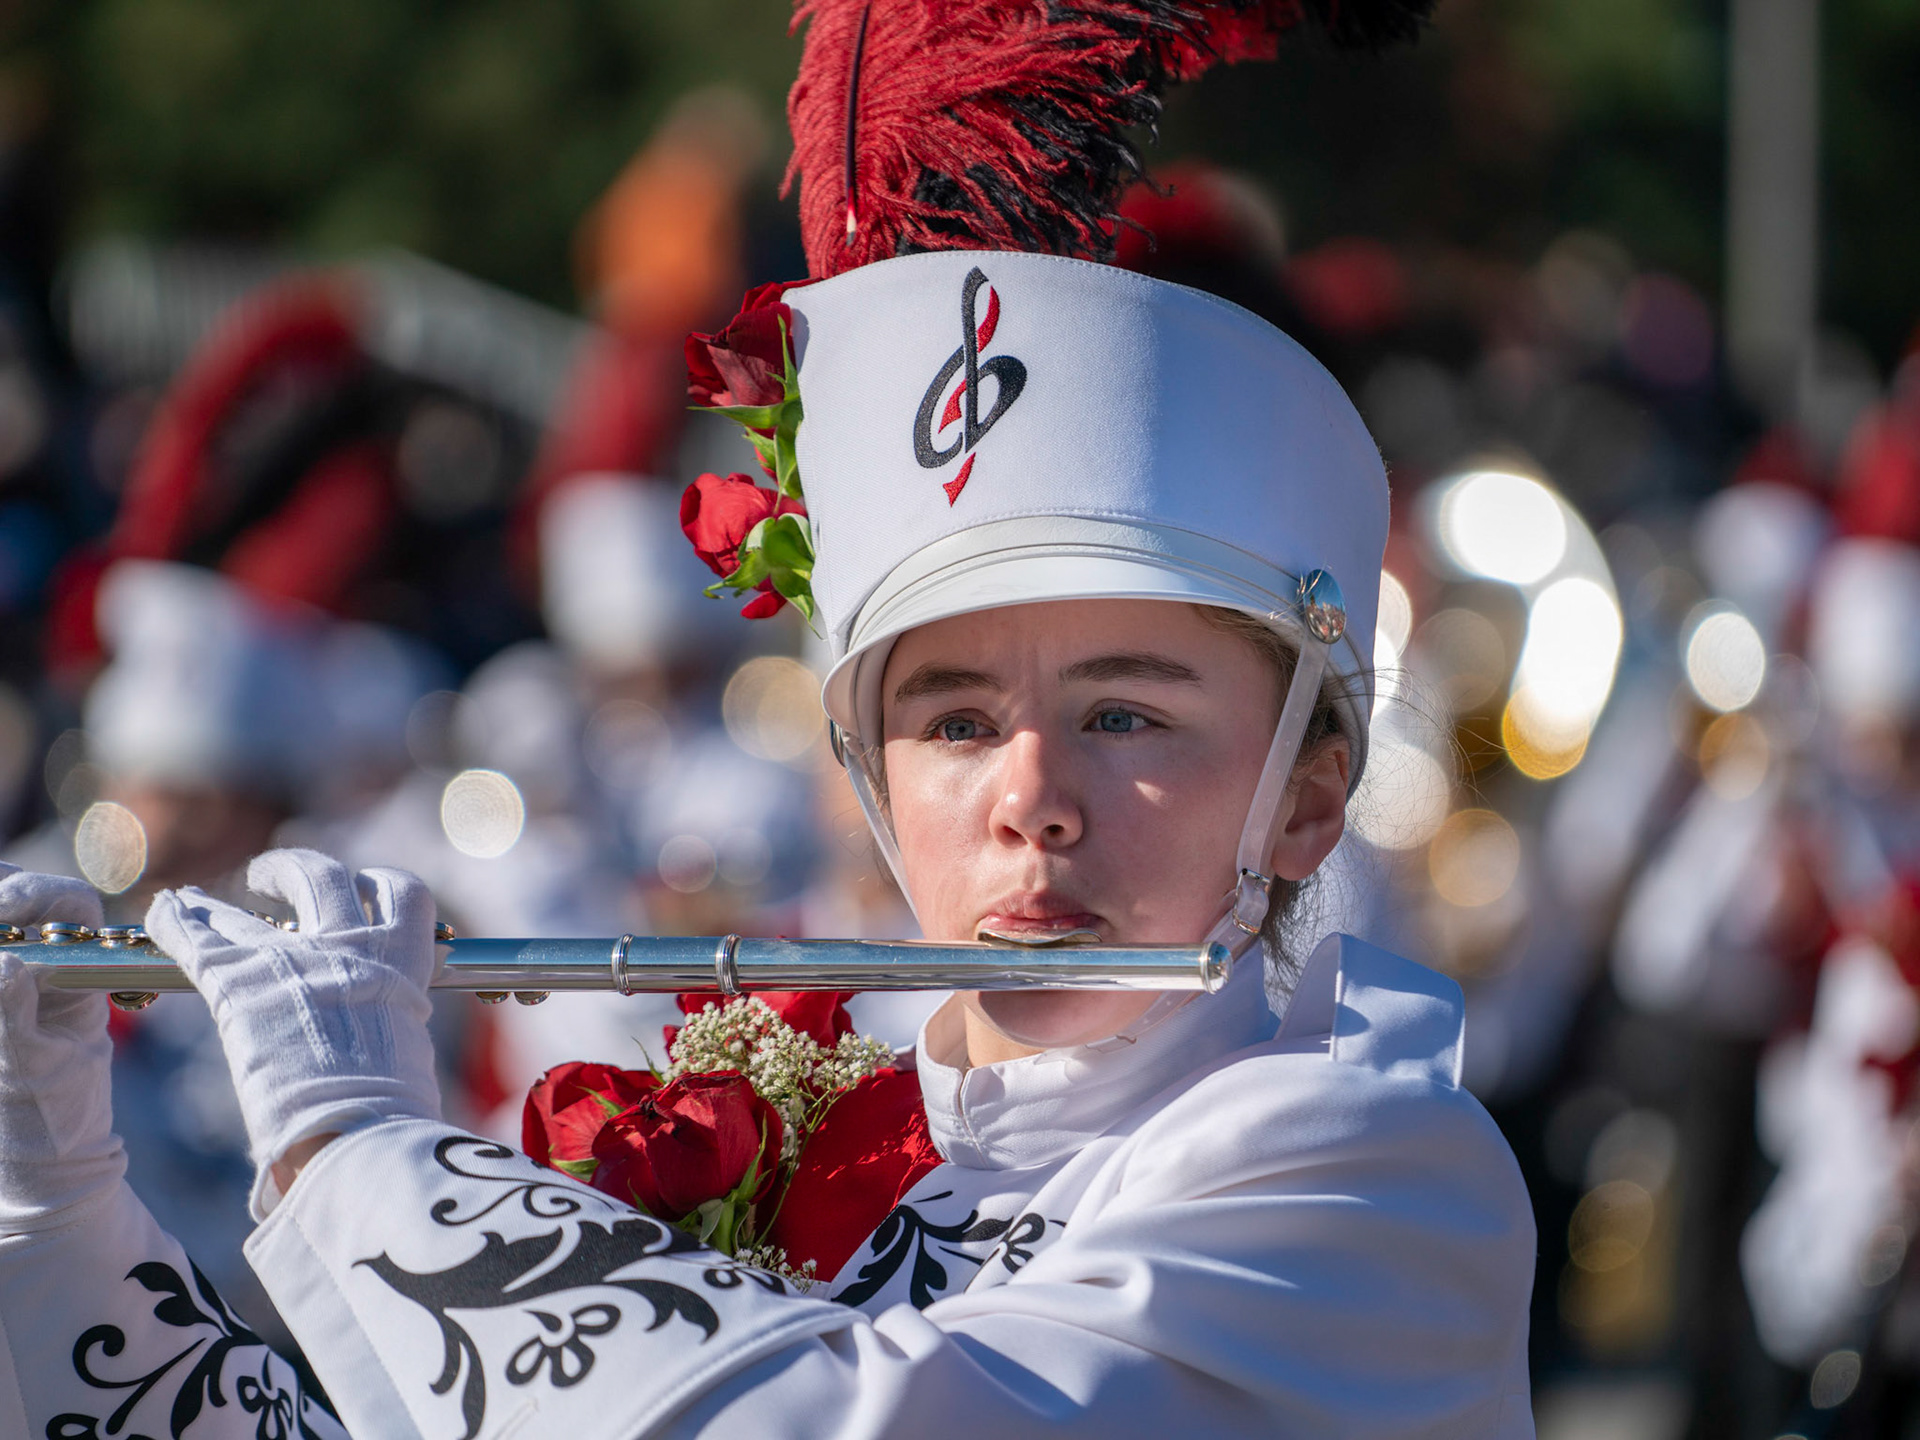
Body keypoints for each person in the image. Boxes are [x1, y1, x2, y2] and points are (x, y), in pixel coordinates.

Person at [0, 2, 1536, 1435]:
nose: (1029, 798)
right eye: (950, 723)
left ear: (1309, 795)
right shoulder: (797, 1137)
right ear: (861, 770)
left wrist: (358, 1148)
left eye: (1126, 715)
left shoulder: (1373, 1169)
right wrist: (53, 1201)